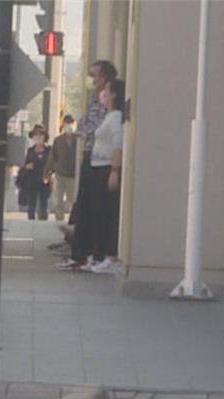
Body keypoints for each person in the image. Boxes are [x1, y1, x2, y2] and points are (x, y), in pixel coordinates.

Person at [57, 60, 118, 271]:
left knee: (97, 209)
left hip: (100, 159)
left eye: (97, 76)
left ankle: (94, 254)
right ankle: (81, 253)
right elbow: (83, 124)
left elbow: (92, 128)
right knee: (83, 205)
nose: (93, 81)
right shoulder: (95, 100)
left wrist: (81, 132)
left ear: (107, 79)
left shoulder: (108, 106)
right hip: (90, 156)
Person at [83, 78, 126, 275]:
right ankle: (101, 255)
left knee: (107, 214)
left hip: (107, 168)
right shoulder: (109, 116)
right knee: (99, 213)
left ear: (114, 94)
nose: (103, 94)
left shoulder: (116, 117)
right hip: (98, 167)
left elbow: (118, 144)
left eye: (107, 91)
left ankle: (111, 256)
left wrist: (114, 171)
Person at [45, 114, 78, 221]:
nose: (69, 125)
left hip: (73, 175)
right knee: (57, 200)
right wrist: (47, 171)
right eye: (67, 123)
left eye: (71, 123)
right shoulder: (58, 140)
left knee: (72, 200)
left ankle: (72, 221)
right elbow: (52, 157)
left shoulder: (79, 140)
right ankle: (59, 220)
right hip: (60, 174)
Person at [17, 124, 52, 221]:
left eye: (41, 135)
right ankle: (31, 219)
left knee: (43, 203)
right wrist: (27, 167)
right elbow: (25, 164)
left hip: (44, 180)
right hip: (31, 181)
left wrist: (49, 174)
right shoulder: (30, 151)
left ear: (45, 137)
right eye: (36, 136)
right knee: (31, 203)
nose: (38, 138)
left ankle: (43, 220)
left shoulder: (49, 150)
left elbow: (52, 164)